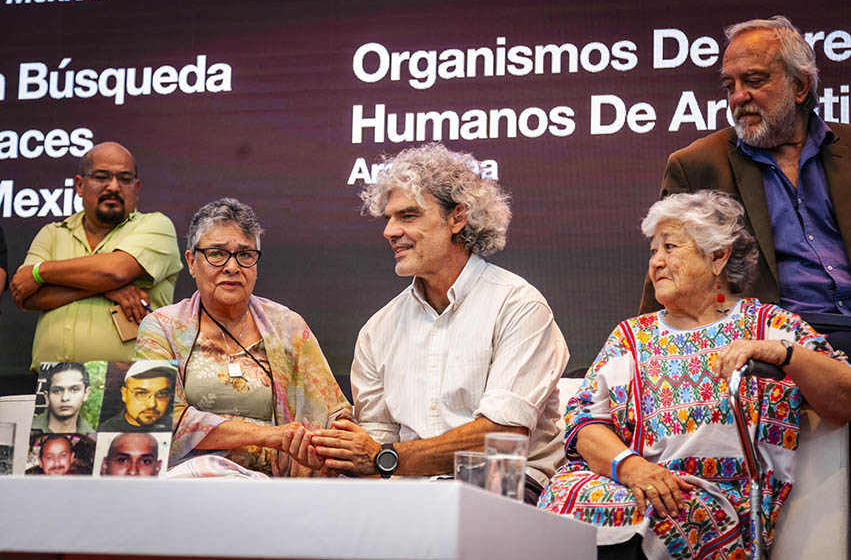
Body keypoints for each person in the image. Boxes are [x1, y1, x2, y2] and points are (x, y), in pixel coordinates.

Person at [539, 190, 850, 559]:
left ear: (718, 256)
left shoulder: (768, 326)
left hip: (714, 503)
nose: (656, 262)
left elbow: (844, 400)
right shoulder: (630, 337)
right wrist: (632, 467)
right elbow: (584, 424)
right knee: (564, 496)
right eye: (653, 251)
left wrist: (784, 354)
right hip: (629, 481)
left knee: (656, 512)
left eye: (670, 247)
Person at [310, 143, 568, 504]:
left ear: (457, 218)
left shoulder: (518, 304)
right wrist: (336, 453)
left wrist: (386, 458)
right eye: (388, 218)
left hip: (501, 479)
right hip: (408, 487)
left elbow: (499, 438)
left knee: (465, 517)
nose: (389, 231)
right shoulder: (378, 329)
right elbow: (374, 445)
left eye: (408, 216)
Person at [639, 17, 851, 353]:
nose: (739, 97)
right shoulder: (697, 166)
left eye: (754, 81)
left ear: (800, 86)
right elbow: (668, 277)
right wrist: (644, 356)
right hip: (769, 345)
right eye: (729, 86)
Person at [135, 198, 352, 477]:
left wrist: (329, 441)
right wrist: (268, 435)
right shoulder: (162, 327)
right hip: (190, 482)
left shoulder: (288, 326)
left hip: (272, 485)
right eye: (217, 254)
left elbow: (334, 413)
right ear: (191, 262)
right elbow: (158, 418)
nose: (232, 267)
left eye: (245, 255)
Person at [9, 141, 183, 370]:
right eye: (102, 177)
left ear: (136, 187)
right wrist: (111, 289)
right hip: (55, 382)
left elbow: (115, 272)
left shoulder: (156, 226)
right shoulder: (52, 233)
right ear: (80, 185)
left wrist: (41, 271)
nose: (114, 187)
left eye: (125, 179)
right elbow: (27, 296)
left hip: (138, 381)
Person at [99, 361, 176, 432]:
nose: (152, 404)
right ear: (125, 394)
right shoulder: (106, 430)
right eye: (141, 393)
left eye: (162, 394)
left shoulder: (174, 427)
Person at [30, 362, 95, 434]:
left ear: (86, 393)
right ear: (47, 396)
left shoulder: (92, 436)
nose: (65, 398)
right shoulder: (26, 428)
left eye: (74, 390)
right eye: (57, 391)